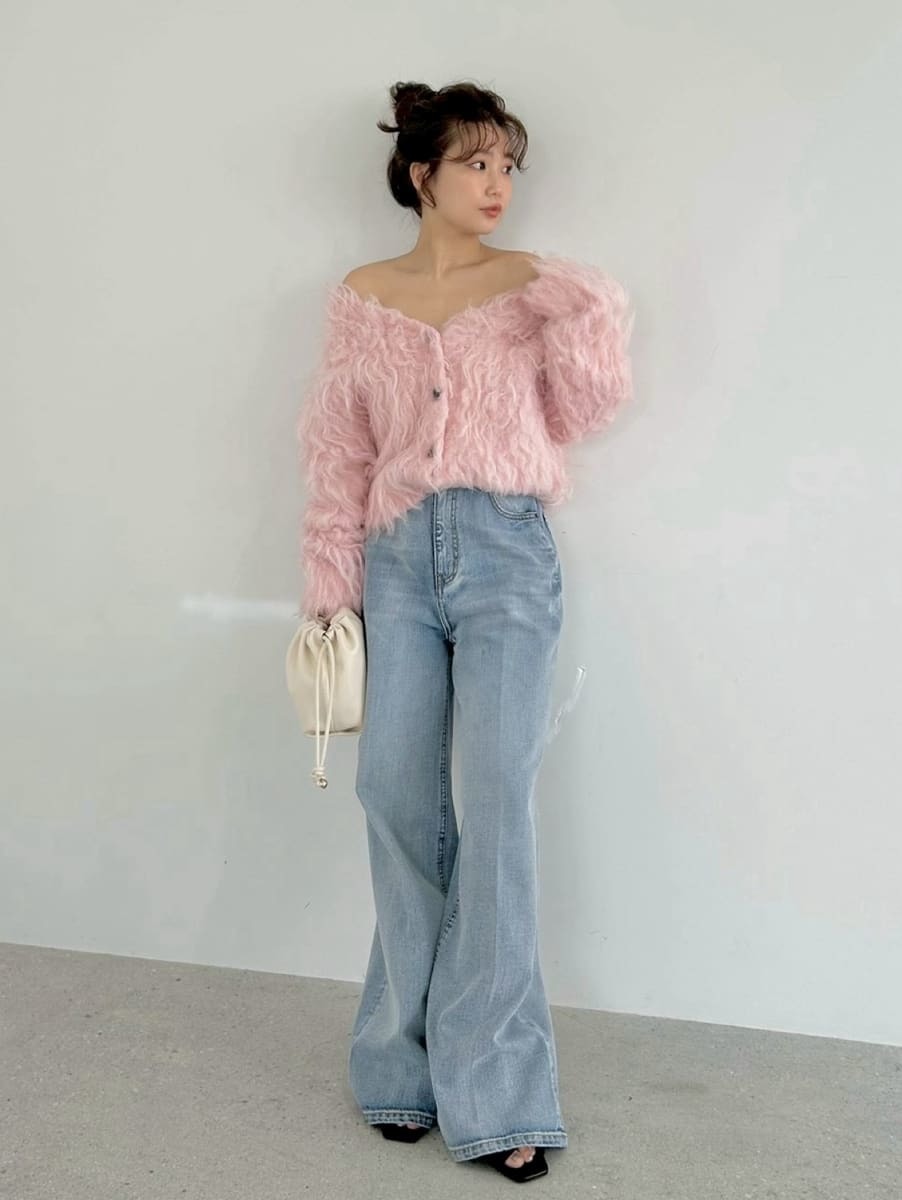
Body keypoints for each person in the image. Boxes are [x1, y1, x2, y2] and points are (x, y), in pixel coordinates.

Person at [296, 79, 635, 1183]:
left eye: (507, 167)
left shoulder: (530, 288)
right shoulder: (364, 297)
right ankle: (398, 1065)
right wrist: (330, 586)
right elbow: (339, 452)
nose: (497, 186)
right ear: (421, 174)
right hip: (396, 560)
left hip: (504, 556)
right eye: (476, 164)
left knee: (491, 811)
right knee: (395, 798)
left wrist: (583, 306)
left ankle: (498, 1093)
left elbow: (583, 412)